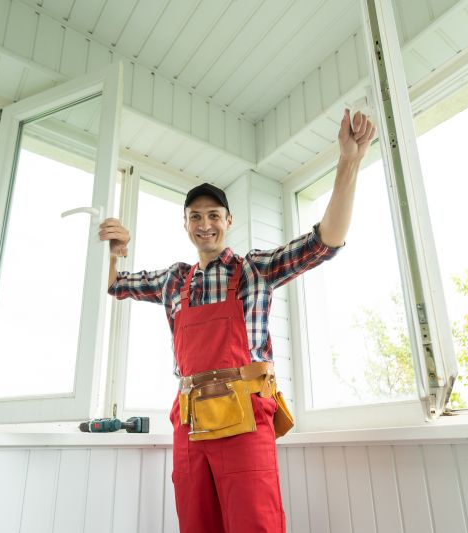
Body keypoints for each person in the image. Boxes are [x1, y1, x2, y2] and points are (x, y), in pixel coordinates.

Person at [98, 109, 375, 533]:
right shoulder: (174, 281)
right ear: (185, 225)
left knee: (254, 524)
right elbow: (115, 285)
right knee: (196, 525)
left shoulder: (254, 270)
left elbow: (324, 242)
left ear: (228, 221)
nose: (205, 224)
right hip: (189, 423)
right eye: (195, 216)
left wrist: (348, 163)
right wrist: (115, 251)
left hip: (246, 418)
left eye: (213, 215)